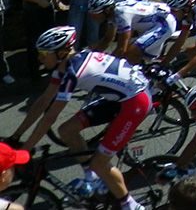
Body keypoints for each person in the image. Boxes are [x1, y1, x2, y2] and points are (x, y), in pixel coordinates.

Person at [12, 26, 152, 210]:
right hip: (120, 97)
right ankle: (92, 178)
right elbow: (43, 102)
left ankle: (131, 205)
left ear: (61, 52)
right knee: (66, 131)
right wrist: (16, 135)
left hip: (135, 102)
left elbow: (50, 116)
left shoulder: (73, 72)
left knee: (99, 163)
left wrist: (26, 149)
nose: (40, 58)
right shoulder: (64, 65)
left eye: (44, 53)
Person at [16, 0, 65, 79]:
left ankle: (51, 66)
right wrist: (37, 0)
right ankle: (34, 69)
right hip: (32, 11)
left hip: (48, 8)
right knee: (34, 40)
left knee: (51, 37)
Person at [90, 0, 177, 64]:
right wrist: (90, 56)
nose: (93, 17)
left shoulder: (122, 14)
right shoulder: (111, 16)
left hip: (164, 24)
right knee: (137, 57)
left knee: (131, 52)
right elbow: (107, 39)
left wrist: (104, 65)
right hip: (153, 24)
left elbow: (121, 49)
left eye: (95, 14)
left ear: (107, 10)